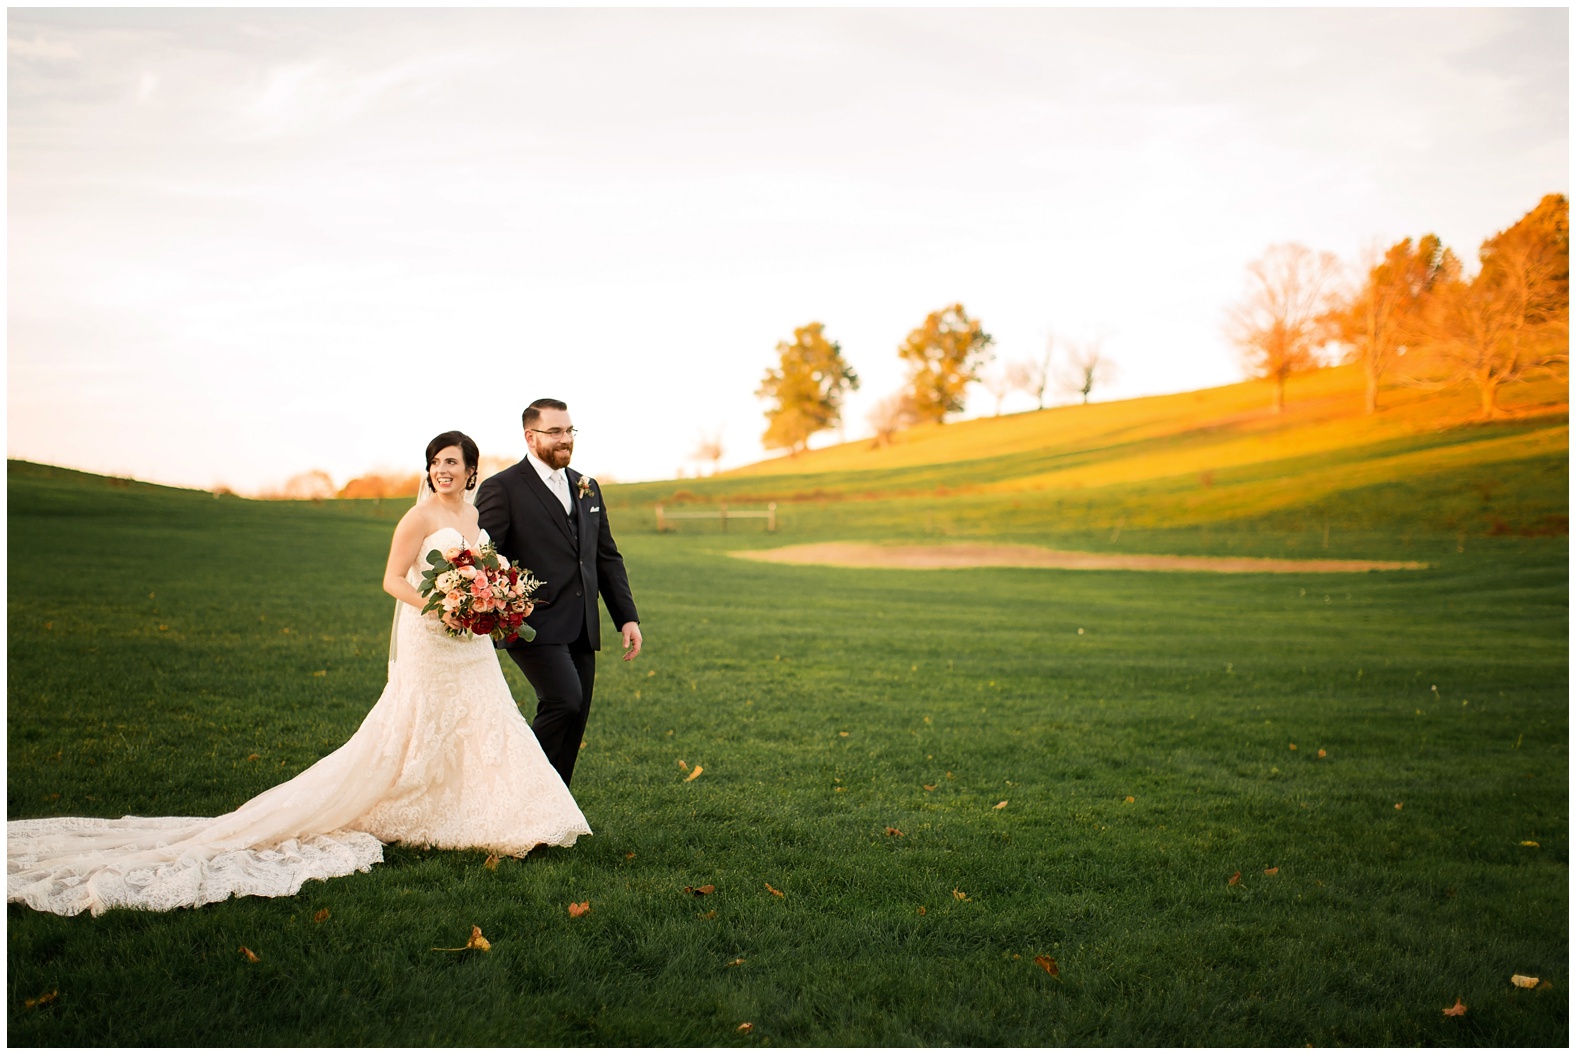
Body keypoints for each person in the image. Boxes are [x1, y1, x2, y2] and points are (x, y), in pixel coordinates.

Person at [7, 432, 589, 917]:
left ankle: (501, 813)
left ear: (470, 472)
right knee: (418, 722)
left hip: (470, 641)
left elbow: (486, 565)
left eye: (452, 464)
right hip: (430, 635)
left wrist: (486, 602)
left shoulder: (472, 514)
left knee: (486, 719)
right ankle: (410, 802)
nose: (442, 472)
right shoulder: (418, 516)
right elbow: (391, 579)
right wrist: (441, 606)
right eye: (435, 463)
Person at [476, 399, 641, 788]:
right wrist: (505, 607)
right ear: (530, 437)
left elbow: (605, 557)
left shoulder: (586, 486)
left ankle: (554, 810)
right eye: (555, 432)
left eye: (569, 431)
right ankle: (520, 793)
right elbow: (485, 559)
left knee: (576, 713)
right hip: (531, 624)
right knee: (563, 701)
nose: (565, 439)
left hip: (582, 624)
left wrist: (627, 617)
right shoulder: (503, 488)